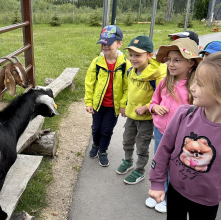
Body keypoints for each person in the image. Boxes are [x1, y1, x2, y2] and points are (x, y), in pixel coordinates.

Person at [149, 51, 221, 220]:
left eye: (200, 84)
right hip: (176, 191)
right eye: (194, 81)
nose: (192, 87)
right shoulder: (184, 114)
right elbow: (164, 149)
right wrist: (157, 182)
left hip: (207, 201)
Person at [145, 38, 202, 213]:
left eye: (177, 60)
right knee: (159, 161)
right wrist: (155, 107)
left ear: (191, 63)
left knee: (176, 167)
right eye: (169, 59)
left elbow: (199, 113)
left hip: (181, 137)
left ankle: (170, 197)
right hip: (160, 131)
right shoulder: (164, 82)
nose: (171, 64)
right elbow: (152, 102)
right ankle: (159, 192)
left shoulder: (194, 88)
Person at [116, 35, 166, 184]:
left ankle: (139, 170)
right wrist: (124, 105)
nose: (133, 58)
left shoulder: (155, 75)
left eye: (138, 55)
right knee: (127, 140)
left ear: (150, 55)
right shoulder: (132, 70)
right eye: (131, 55)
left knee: (142, 145)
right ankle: (128, 161)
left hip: (146, 119)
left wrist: (146, 107)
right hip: (131, 116)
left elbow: (161, 97)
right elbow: (129, 90)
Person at [84, 25, 131, 167]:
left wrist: (123, 104)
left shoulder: (125, 65)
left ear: (119, 44)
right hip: (98, 104)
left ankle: (103, 150)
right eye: (102, 43)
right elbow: (89, 82)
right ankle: (96, 145)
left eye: (109, 43)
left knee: (106, 130)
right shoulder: (97, 62)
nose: (105, 46)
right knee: (96, 128)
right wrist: (89, 102)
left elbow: (128, 87)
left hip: (113, 106)